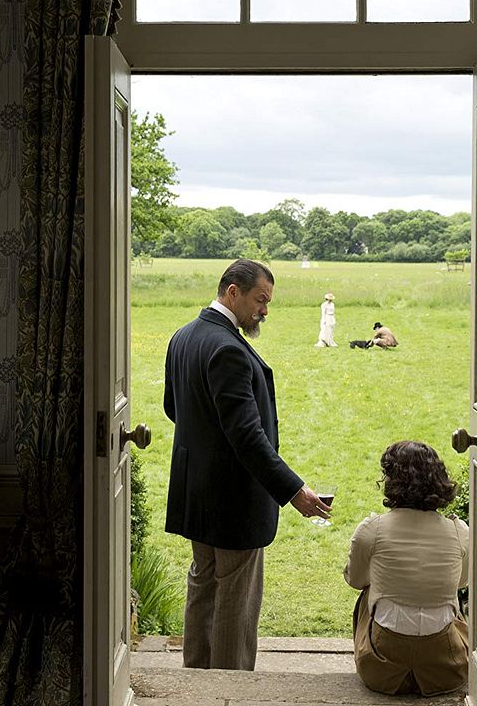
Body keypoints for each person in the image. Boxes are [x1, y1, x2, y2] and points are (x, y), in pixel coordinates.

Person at [163, 258, 332, 671]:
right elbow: (247, 437)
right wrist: (294, 490)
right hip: (232, 500)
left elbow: (173, 408)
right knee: (235, 602)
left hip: (195, 493)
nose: (265, 310)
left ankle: (196, 683)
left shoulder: (183, 336)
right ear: (233, 292)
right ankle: (231, 690)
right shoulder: (227, 349)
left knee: (202, 585)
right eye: (260, 300)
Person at [344, 440, 470, 696]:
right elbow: (462, 582)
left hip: (381, 668)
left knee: (368, 591)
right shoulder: (459, 532)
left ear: (391, 481)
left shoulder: (372, 530)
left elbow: (355, 580)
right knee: (450, 600)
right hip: (447, 668)